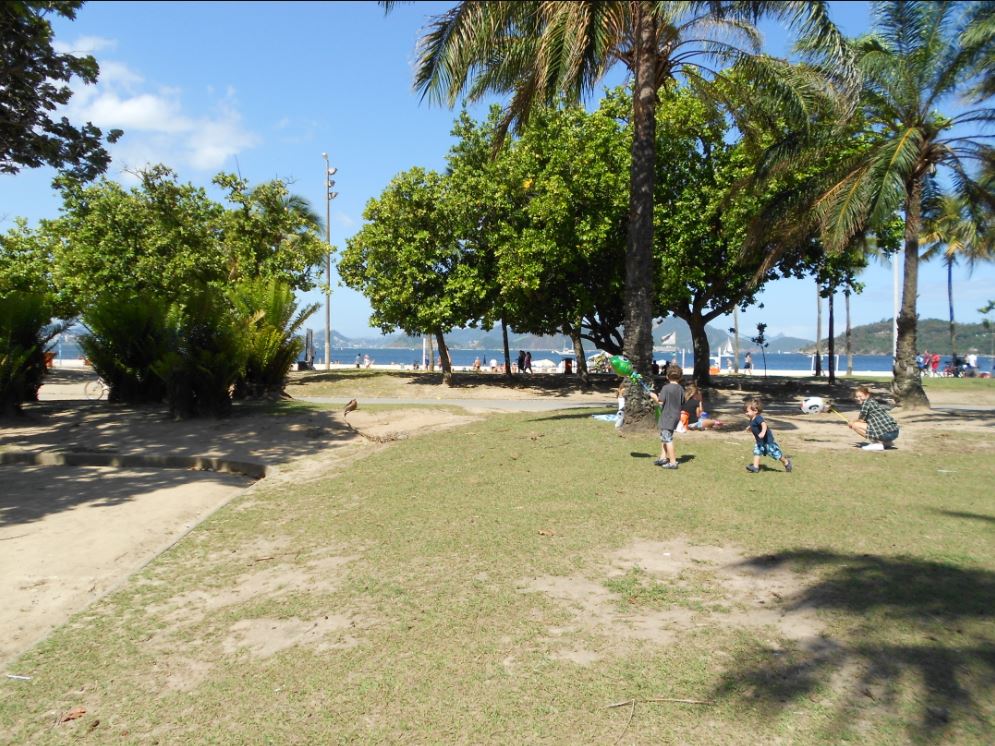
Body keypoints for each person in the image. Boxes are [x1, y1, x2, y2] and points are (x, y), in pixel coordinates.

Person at [649, 366, 684, 469]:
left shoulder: (666, 388)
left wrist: (654, 396)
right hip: (675, 416)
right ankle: (663, 458)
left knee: (667, 439)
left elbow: (660, 402)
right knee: (664, 437)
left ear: (667, 376)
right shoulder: (681, 389)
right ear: (680, 377)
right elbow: (682, 402)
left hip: (667, 416)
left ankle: (673, 462)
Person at [744, 398, 792, 473]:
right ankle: (755, 467)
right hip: (759, 442)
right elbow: (754, 426)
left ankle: (786, 462)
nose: (745, 413)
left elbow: (764, 425)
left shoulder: (758, 418)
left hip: (768, 442)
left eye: (747, 411)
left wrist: (763, 433)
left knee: (776, 454)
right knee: (757, 452)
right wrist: (749, 428)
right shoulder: (752, 419)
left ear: (755, 411)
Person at [848, 385, 899, 451]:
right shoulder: (873, 402)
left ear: (867, 395)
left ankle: (877, 444)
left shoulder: (866, 403)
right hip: (894, 432)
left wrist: (851, 422)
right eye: (857, 397)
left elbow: (861, 420)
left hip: (886, 434)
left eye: (860, 396)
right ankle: (887, 443)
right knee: (868, 426)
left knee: (855, 425)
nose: (858, 398)